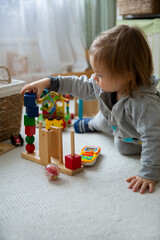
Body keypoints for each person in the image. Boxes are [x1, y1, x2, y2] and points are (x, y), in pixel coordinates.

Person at [21, 24, 160, 194]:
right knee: (102, 120)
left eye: (99, 74)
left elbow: (153, 138)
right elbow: (79, 84)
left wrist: (148, 173)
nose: (94, 77)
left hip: (137, 137)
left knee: (124, 148)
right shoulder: (108, 84)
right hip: (115, 122)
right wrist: (49, 83)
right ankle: (92, 124)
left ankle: (100, 124)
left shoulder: (144, 103)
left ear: (127, 75)